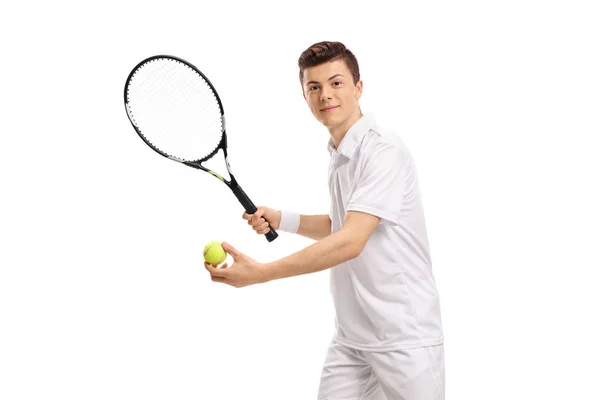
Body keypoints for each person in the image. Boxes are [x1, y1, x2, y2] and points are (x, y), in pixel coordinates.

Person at [205, 41, 445, 400]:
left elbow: (351, 241)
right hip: (352, 338)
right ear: (304, 97)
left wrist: (261, 273)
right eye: (314, 87)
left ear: (358, 87)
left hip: (403, 337)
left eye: (336, 83)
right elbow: (344, 224)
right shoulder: (339, 151)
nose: (325, 95)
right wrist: (282, 218)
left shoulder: (383, 152)